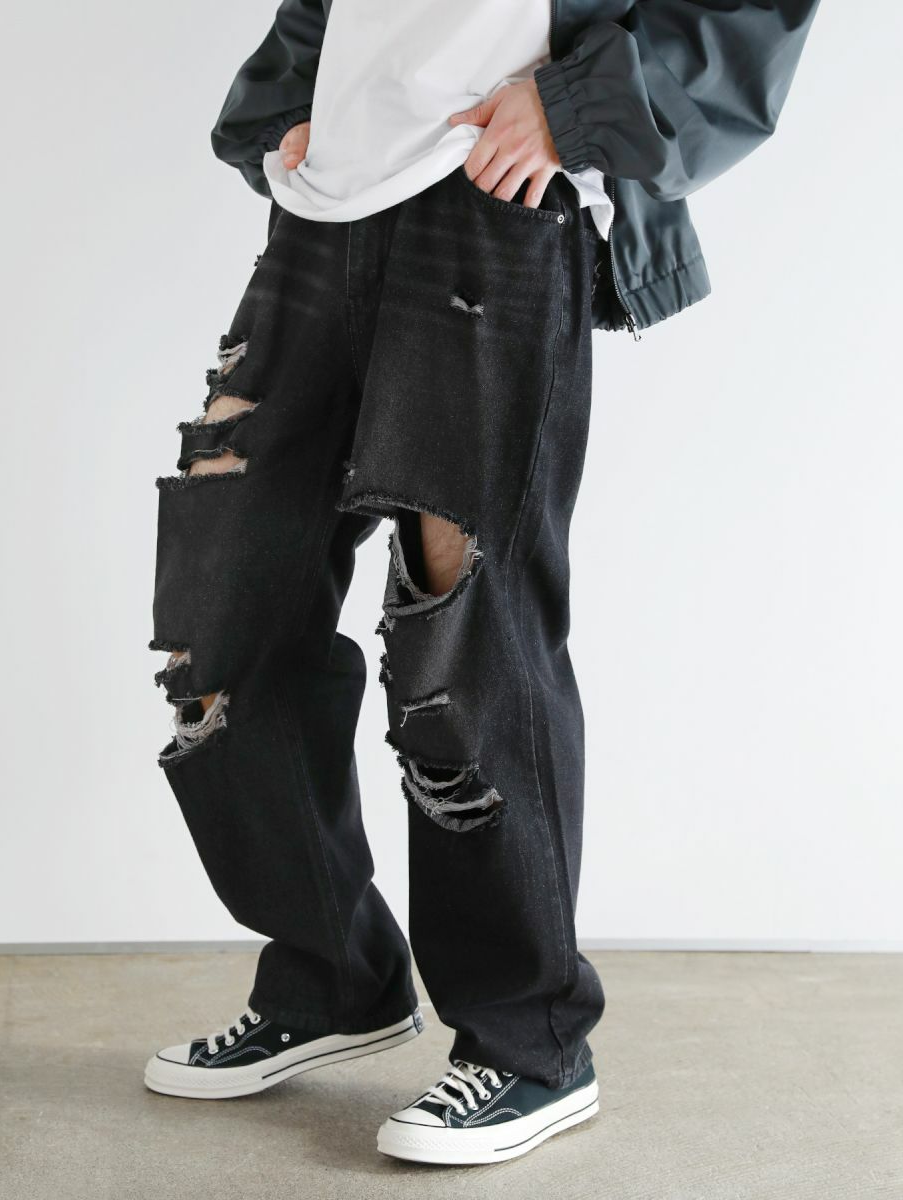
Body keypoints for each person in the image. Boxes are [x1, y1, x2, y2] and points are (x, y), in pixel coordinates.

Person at [144, 0, 820, 1166]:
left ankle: (529, 1042)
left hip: (494, 201)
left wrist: (580, 107)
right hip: (326, 207)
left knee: (461, 635)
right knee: (223, 614)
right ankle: (334, 977)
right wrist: (290, 101)